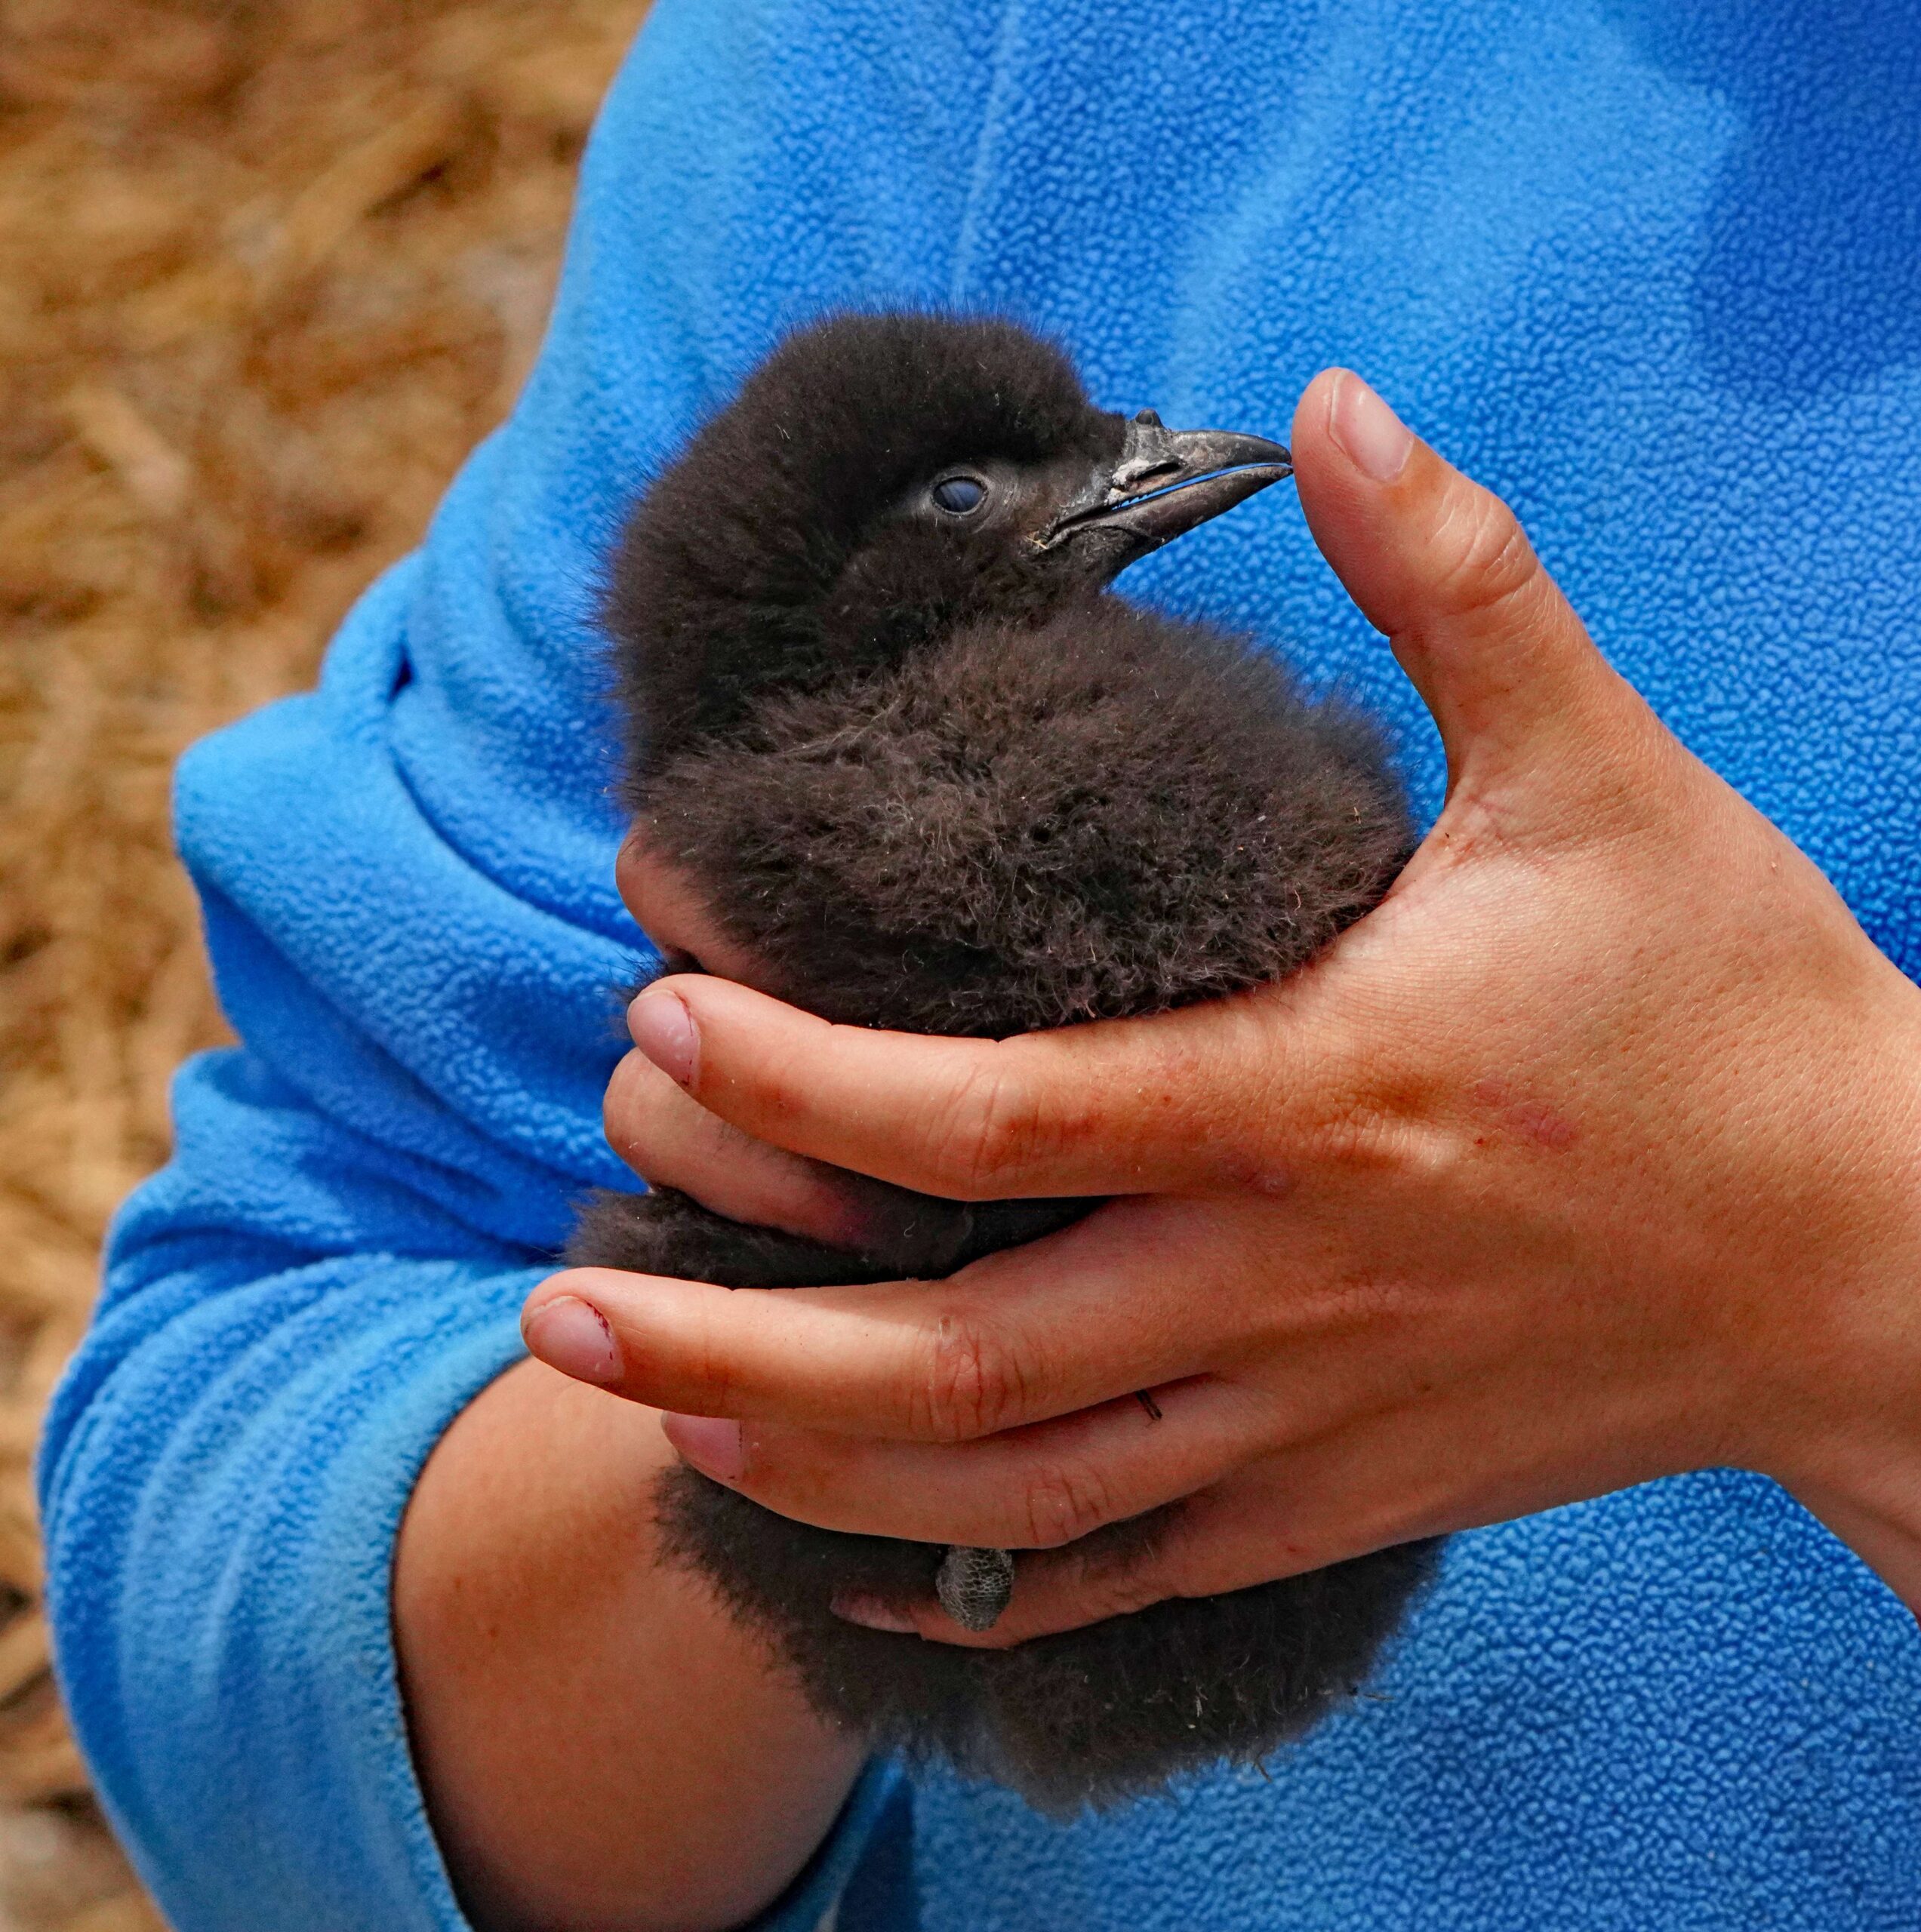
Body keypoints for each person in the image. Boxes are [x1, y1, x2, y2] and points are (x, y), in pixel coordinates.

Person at [39, 2, 1921, 1929]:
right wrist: (851, 1387)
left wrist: (1843, 1279)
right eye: (976, 500)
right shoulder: (942, 46)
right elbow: (253, 1472)